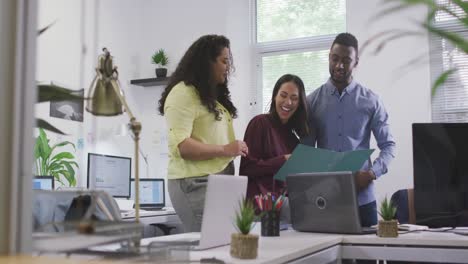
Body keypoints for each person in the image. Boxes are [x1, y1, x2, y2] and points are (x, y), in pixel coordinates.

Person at [304, 33, 396, 227]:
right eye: (335, 59)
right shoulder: (312, 102)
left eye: (346, 61)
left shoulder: (371, 100)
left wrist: (372, 173)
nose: (339, 66)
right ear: (329, 56)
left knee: (367, 256)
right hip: (325, 199)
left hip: (363, 198)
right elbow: (307, 152)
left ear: (356, 62)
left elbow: (389, 146)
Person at [158, 34, 248, 232]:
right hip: (194, 183)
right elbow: (183, 147)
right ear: (207, 62)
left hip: (217, 181)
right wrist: (226, 149)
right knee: (211, 247)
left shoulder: (209, 96)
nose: (228, 67)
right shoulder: (183, 93)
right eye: (224, 61)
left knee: (223, 246)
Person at [240, 74, 309, 215]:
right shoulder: (259, 123)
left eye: (294, 98)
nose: (288, 102)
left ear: (299, 103)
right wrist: (282, 160)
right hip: (260, 204)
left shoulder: (294, 140)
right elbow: (246, 168)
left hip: (282, 202)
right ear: (274, 97)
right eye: (283, 95)